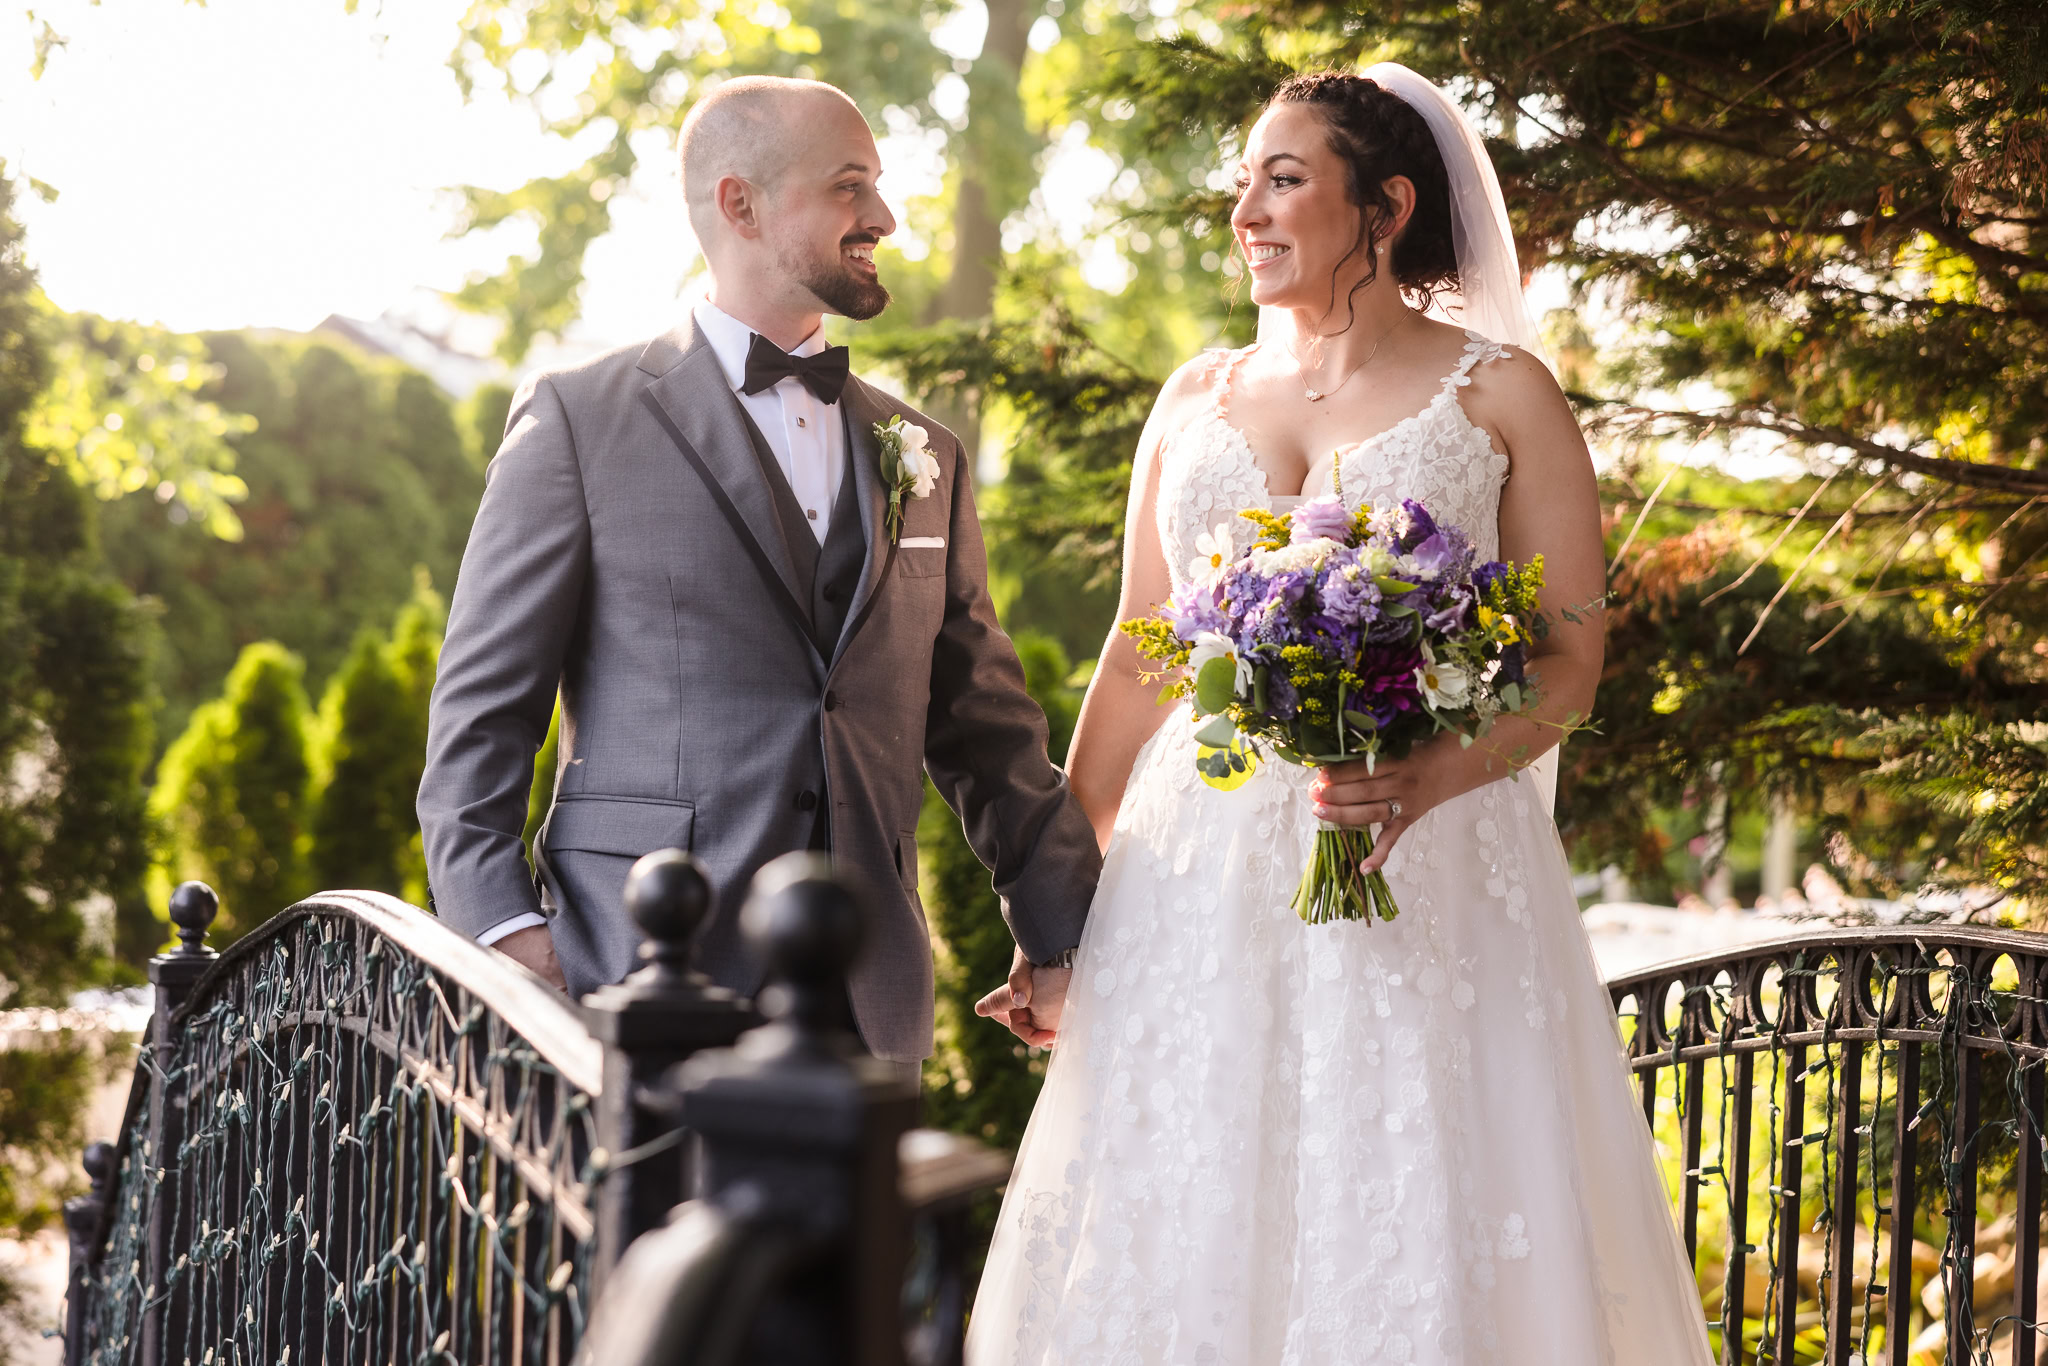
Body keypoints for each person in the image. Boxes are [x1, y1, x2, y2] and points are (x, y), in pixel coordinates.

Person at [966, 66, 1714, 1363]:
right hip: (1190, 884)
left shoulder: (1501, 396)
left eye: (1283, 177)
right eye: (1243, 179)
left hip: (1424, 873)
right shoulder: (1191, 399)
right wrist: (1055, 907)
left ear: (1387, 208)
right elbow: (1140, 663)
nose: (1244, 208)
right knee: (1189, 1204)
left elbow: (1567, 670)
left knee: (1404, 1190)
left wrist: (1423, 776)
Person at [417, 75, 1100, 1067]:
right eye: (848, 187)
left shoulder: (922, 452)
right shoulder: (579, 420)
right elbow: (481, 718)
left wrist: (1061, 933)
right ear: (739, 203)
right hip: (635, 975)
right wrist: (504, 932)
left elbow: (984, 725)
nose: (883, 218)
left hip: (866, 993)